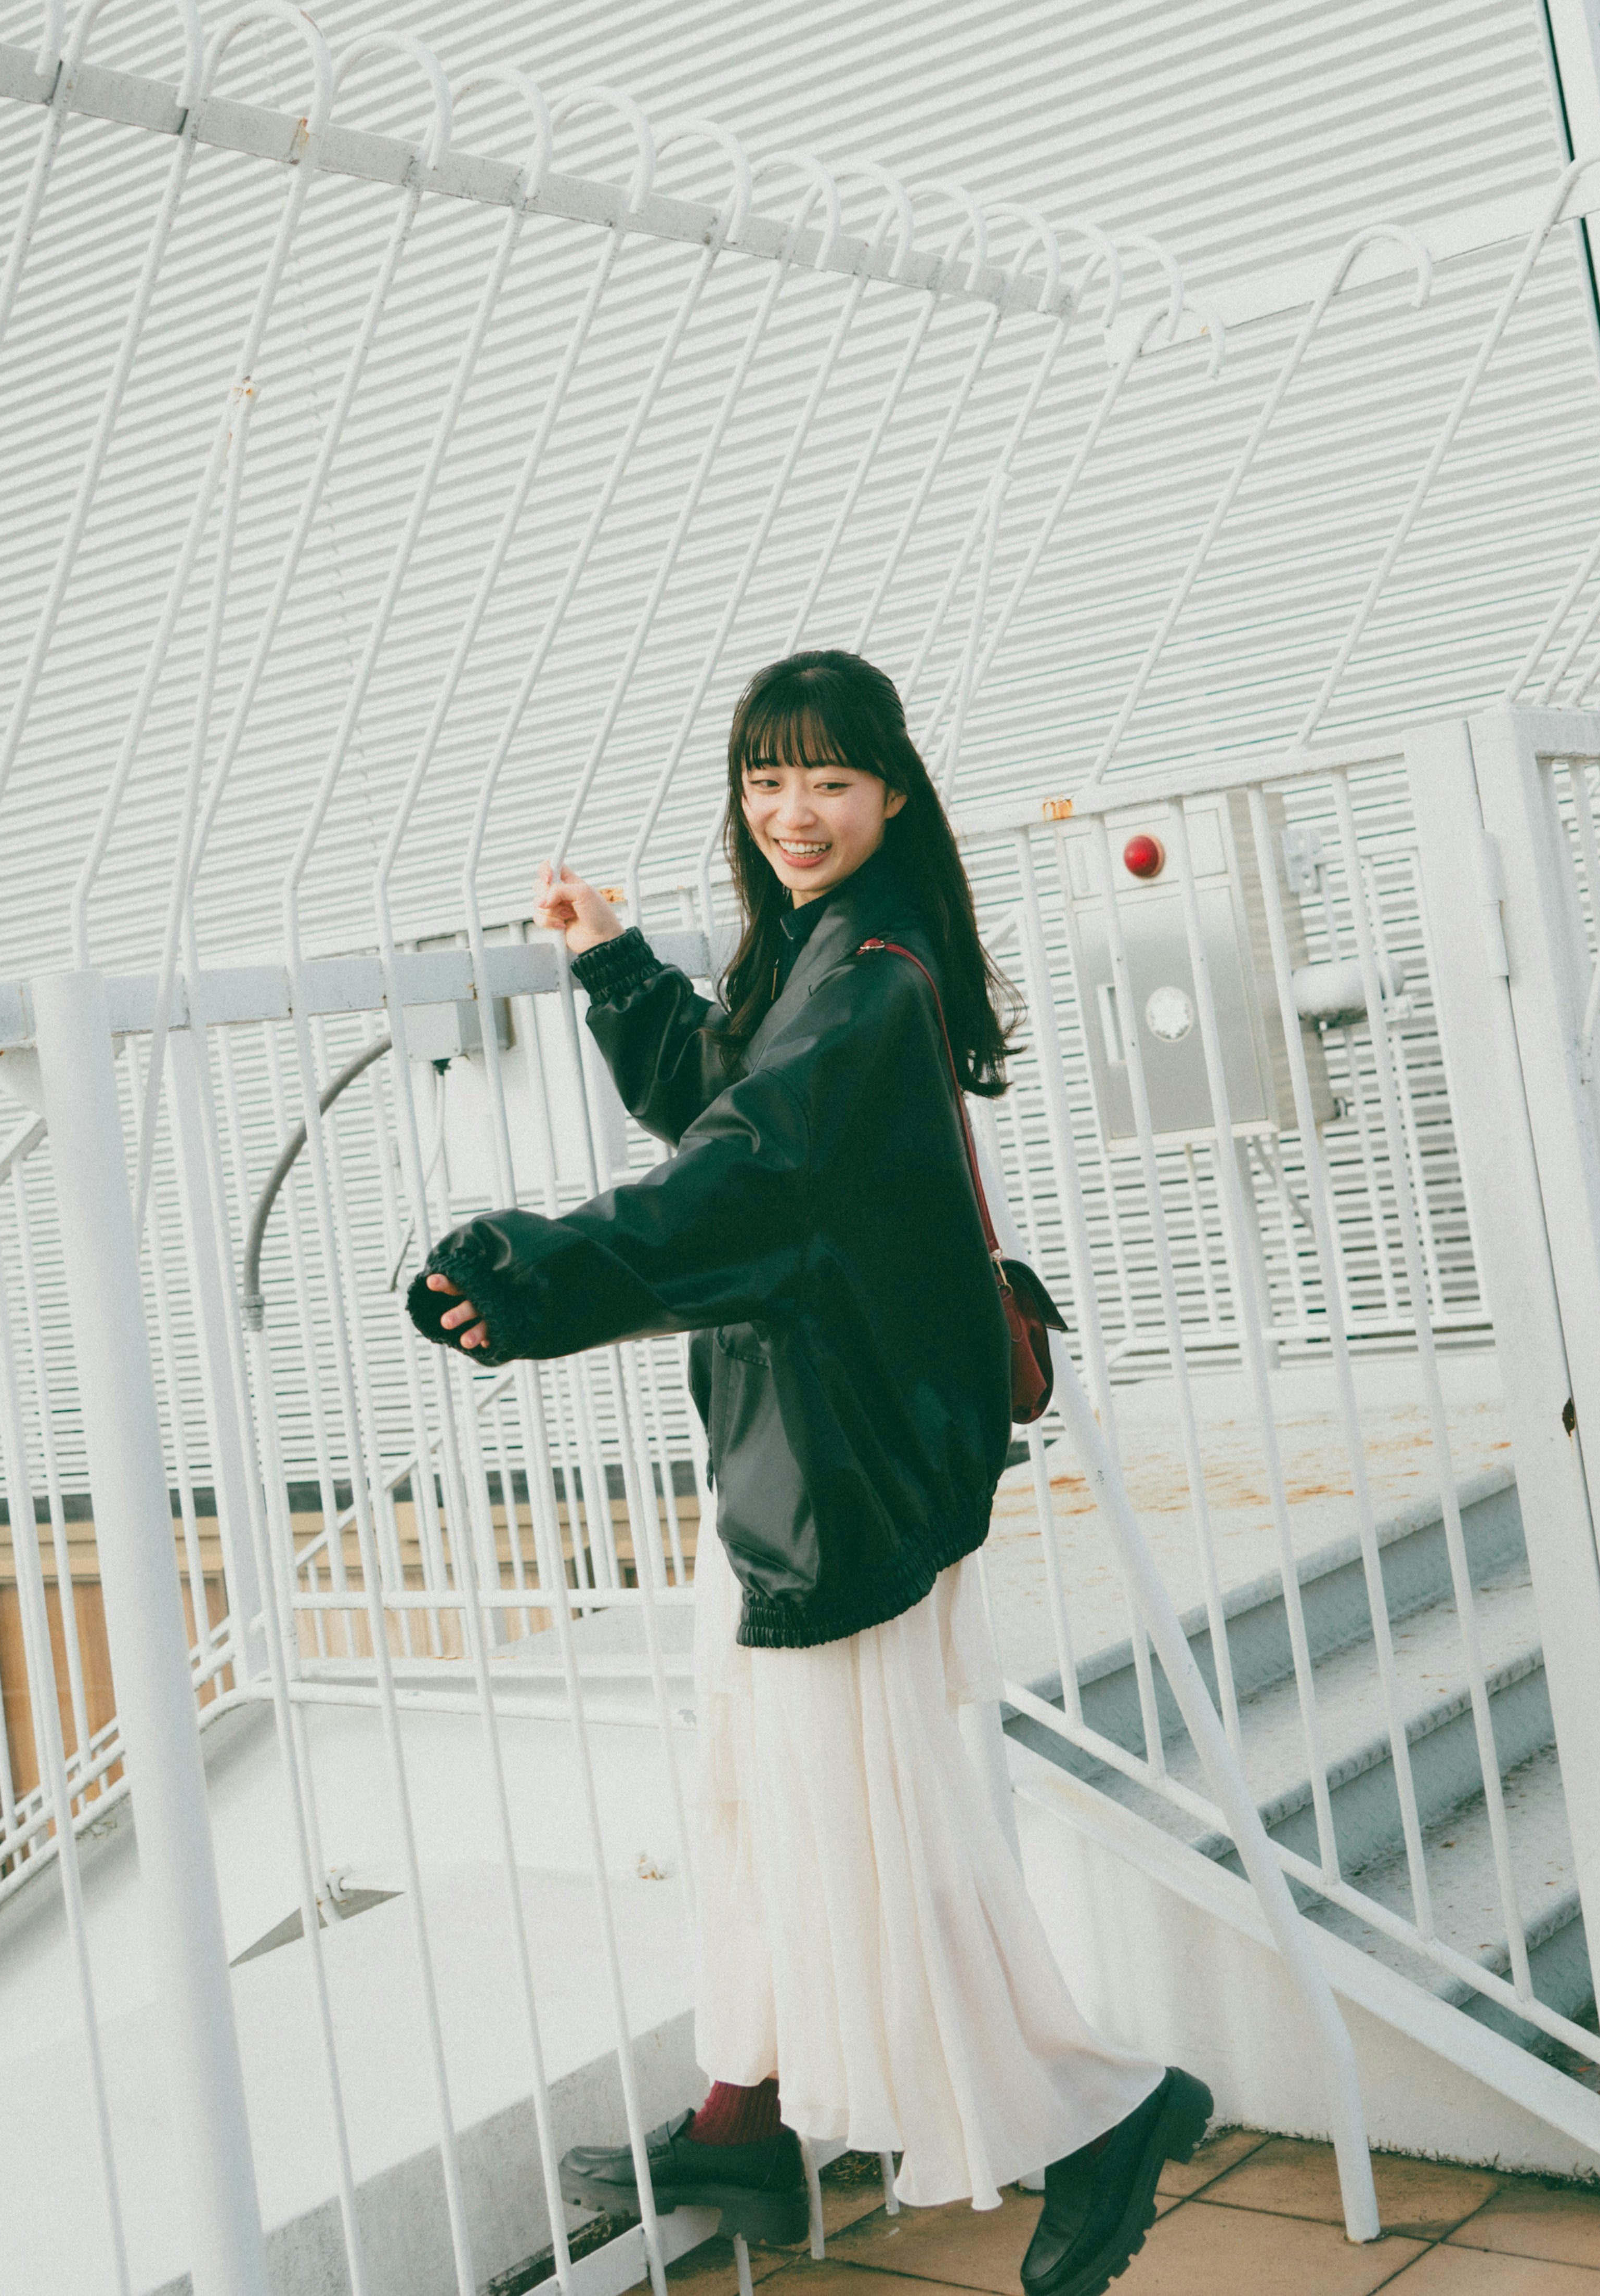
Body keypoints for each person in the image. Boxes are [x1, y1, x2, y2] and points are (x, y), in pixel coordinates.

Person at [408, 649, 1209, 2296]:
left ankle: (1093, 2123)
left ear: (893, 794)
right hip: (809, 1462)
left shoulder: (869, 980)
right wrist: (619, 964)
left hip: (834, 1474)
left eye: (828, 781)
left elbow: (754, 1170)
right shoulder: (830, 957)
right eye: (766, 780)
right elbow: (728, 1101)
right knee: (757, 1805)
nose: (791, 811)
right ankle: (745, 2113)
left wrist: (538, 1272)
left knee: (863, 1832)